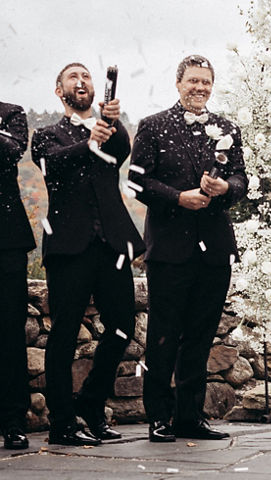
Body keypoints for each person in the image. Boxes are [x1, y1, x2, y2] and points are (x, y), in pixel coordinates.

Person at [129, 55, 247, 443]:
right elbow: (136, 183)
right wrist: (178, 197)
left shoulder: (227, 128)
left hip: (214, 248)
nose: (200, 88)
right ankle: (159, 416)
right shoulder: (153, 126)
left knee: (200, 335)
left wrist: (226, 188)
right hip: (169, 248)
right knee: (164, 334)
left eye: (206, 82)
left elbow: (241, 179)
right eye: (193, 81)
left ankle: (190, 416)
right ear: (178, 83)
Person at [31, 63, 145, 446]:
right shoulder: (46, 136)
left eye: (87, 77)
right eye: (72, 77)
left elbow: (121, 150)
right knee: (63, 335)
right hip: (68, 247)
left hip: (111, 245)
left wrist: (112, 124)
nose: (82, 82)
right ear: (58, 89)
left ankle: (91, 405)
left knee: (122, 327)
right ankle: (62, 423)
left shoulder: (107, 129)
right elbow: (51, 165)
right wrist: (88, 141)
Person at [0, 101, 35, 450]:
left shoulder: (10, 112)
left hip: (5, 240)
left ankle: (12, 420)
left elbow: (10, 150)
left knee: (10, 333)